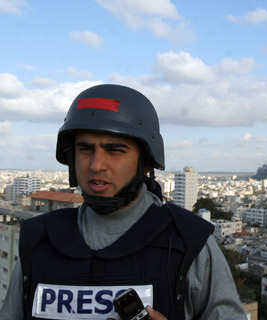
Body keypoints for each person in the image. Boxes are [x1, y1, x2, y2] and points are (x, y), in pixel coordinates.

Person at [0, 84, 247, 320]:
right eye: (85, 149)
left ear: (145, 161)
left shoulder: (190, 242)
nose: (96, 165)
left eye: (115, 150)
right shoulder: (38, 240)